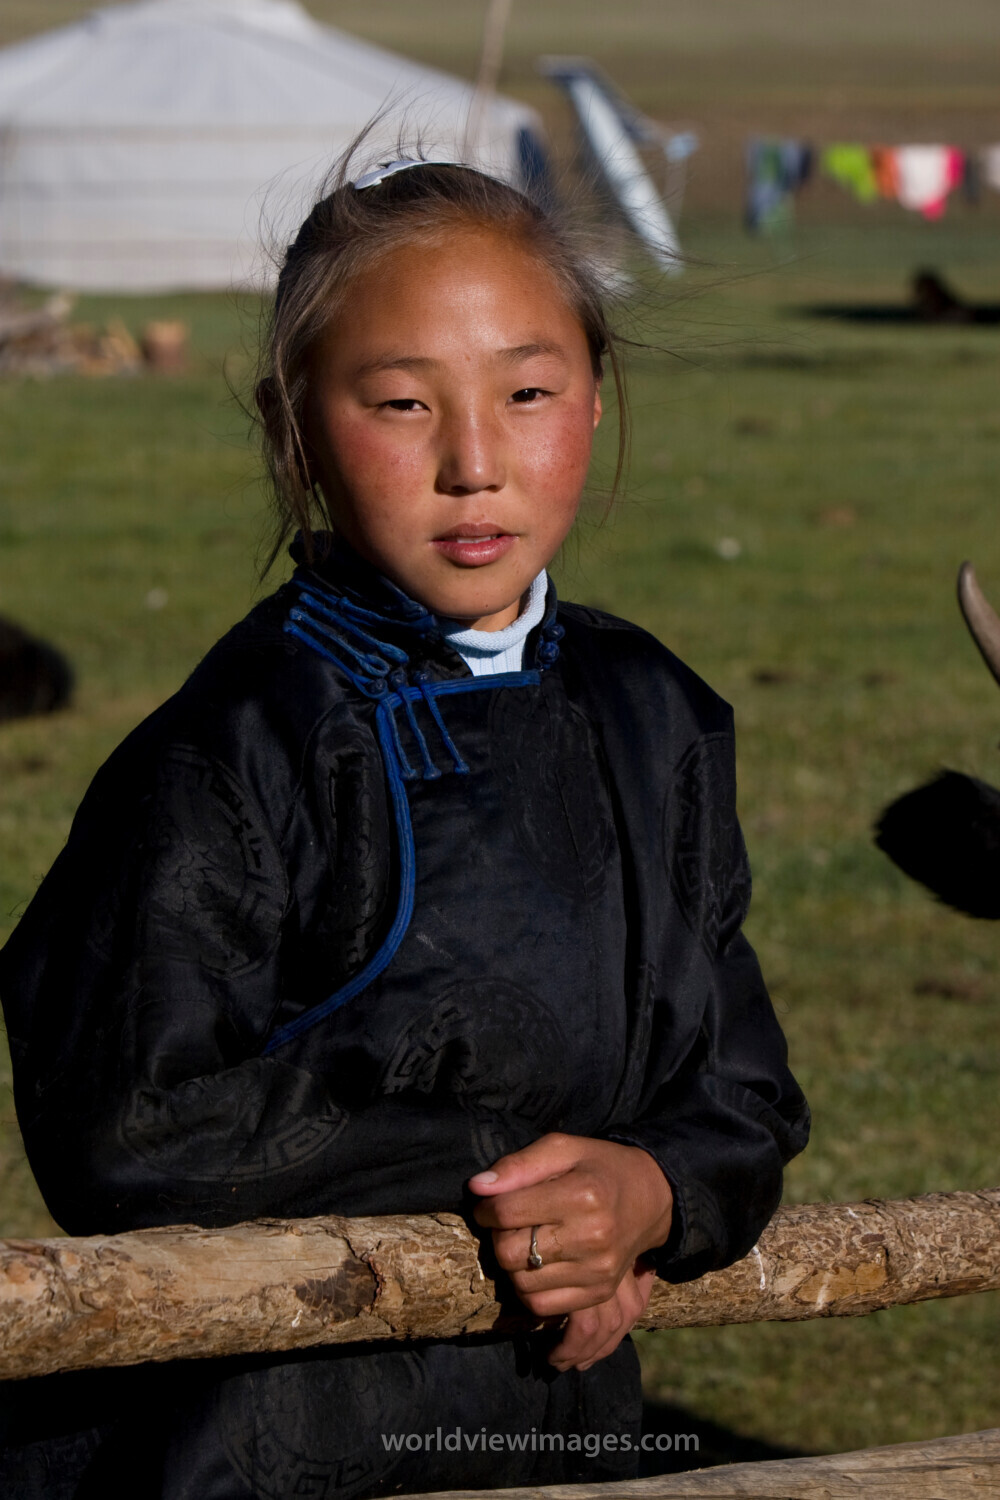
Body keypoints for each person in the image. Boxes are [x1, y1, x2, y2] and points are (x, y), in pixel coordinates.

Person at [0, 154, 809, 1499]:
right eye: (399, 404)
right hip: (253, 1445)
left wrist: (650, 1199)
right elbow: (124, 1132)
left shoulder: (658, 719)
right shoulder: (232, 754)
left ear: (596, 403)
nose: (474, 462)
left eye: (528, 393)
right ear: (298, 427)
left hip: (559, 1429)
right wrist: (504, 1182)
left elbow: (740, 1090)